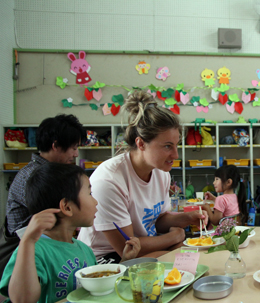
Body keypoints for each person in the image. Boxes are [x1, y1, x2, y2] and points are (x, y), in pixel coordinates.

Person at [78, 91, 207, 263]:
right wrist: (174, 238)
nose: (176, 155)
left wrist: (187, 218)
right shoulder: (109, 181)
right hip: (107, 259)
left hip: (143, 247)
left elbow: (157, 220)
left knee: (193, 253)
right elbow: (128, 249)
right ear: (140, 144)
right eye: (168, 146)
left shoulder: (161, 173)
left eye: (176, 145)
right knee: (183, 255)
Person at [0, 163, 141, 303]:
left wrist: (124, 261)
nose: (95, 202)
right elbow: (23, 301)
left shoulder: (83, 249)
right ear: (67, 207)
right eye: (89, 193)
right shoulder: (34, 250)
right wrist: (27, 242)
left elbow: (98, 290)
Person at [0, 114, 86, 278]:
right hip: (26, 255)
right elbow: (58, 218)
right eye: (74, 148)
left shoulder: (52, 173)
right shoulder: (35, 177)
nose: (76, 154)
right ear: (55, 146)